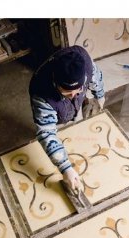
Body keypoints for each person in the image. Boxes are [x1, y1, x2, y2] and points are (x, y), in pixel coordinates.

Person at [29, 45, 104, 192]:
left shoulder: (83, 62)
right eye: (67, 92)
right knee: (57, 134)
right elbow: (46, 132)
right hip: (54, 111)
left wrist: (99, 95)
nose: (74, 95)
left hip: (68, 103)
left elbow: (96, 76)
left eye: (79, 90)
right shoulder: (41, 92)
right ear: (56, 83)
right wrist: (65, 168)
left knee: (76, 135)